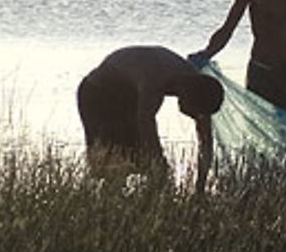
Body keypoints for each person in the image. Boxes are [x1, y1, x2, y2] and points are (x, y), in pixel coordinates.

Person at [77, 45, 224, 193]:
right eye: (197, 113)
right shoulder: (155, 80)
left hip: (129, 95)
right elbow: (145, 123)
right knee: (111, 160)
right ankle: (105, 202)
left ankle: (141, 202)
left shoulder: (197, 83)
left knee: (137, 160)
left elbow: (206, 141)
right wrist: (159, 161)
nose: (197, 117)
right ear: (188, 97)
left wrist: (200, 187)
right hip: (97, 94)